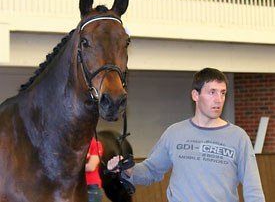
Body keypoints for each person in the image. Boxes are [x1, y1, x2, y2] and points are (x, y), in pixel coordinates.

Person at [108, 67, 265, 202]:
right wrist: (127, 170)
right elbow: (151, 170)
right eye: (212, 92)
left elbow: (253, 189)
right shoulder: (175, 133)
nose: (219, 99)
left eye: (222, 93)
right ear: (195, 95)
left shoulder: (238, 137)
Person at [86, 137, 104, 202]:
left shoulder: (96, 144)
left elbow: (91, 167)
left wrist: (70, 169)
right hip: (74, 186)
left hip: (91, 185)